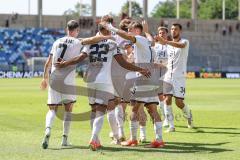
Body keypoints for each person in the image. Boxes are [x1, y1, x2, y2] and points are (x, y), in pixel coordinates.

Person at [55, 24, 151, 151]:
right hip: (104, 80)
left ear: (98, 31)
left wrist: (64, 63)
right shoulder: (112, 43)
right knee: (101, 110)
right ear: (107, 30)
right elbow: (123, 63)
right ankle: (94, 139)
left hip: (90, 81)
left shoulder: (90, 43)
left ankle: (97, 140)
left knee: (94, 110)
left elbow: (80, 58)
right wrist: (141, 69)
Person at [40, 20, 112, 149]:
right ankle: (65, 139)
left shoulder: (56, 42)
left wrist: (44, 79)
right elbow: (93, 39)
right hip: (68, 79)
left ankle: (48, 130)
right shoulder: (78, 41)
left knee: (52, 109)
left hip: (54, 77)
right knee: (69, 109)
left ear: (67, 29)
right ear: (77, 30)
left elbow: (48, 63)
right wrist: (108, 35)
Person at [102, 21, 165, 148]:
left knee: (134, 109)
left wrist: (111, 28)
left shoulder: (140, 39)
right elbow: (151, 41)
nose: (128, 31)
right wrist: (147, 31)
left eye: (130, 29)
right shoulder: (148, 42)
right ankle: (159, 140)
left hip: (142, 78)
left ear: (137, 30)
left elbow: (126, 35)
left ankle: (133, 139)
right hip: (151, 78)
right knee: (152, 109)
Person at [157, 23, 193, 132]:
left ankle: (189, 115)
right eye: (172, 29)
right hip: (168, 76)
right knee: (167, 99)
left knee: (179, 102)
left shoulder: (185, 42)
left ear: (180, 31)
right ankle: (171, 126)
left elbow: (181, 46)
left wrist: (166, 41)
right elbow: (168, 61)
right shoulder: (167, 45)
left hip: (179, 77)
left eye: (176, 29)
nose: (173, 31)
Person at [153, 26, 169, 128]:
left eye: (163, 33)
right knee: (160, 96)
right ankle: (165, 118)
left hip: (167, 73)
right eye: (160, 33)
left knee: (168, 97)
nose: (161, 34)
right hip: (157, 74)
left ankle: (168, 118)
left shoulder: (170, 46)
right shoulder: (155, 46)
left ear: (167, 34)